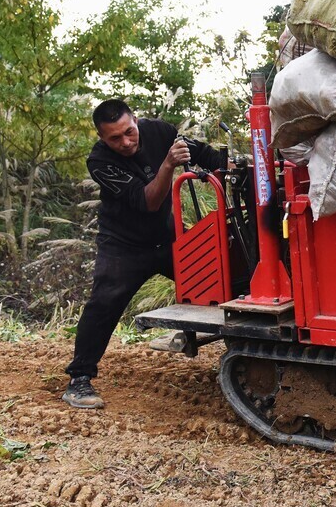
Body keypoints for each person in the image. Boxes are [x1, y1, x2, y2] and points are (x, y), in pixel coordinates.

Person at [63, 99, 225, 409]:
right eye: (114, 138)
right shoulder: (99, 162)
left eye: (129, 132)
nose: (125, 142)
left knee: (215, 279)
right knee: (103, 305)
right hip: (123, 245)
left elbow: (208, 156)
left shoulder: (160, 131)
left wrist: (237, 168)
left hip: (165, 237)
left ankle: (199, 336)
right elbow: (147, 201)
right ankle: (79, 379)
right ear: (101, 138)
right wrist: (168, 165)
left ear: (136, 121)